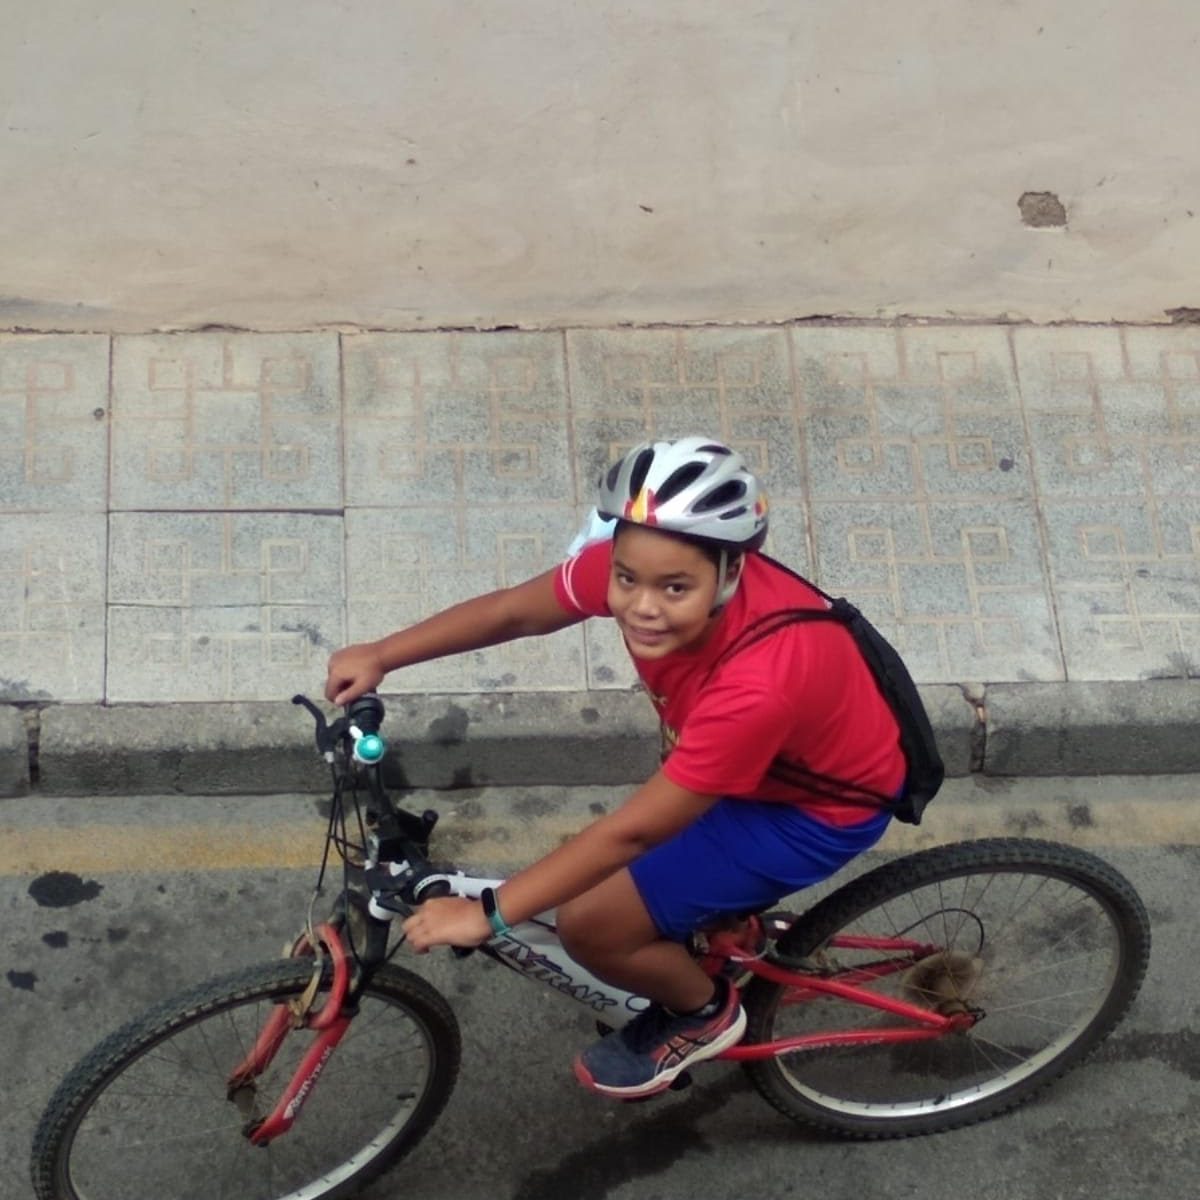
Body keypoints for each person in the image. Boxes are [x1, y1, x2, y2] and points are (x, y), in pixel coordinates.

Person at [324, 436, 905, 1100]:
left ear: (730, 575)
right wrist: (383, 654)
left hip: (810, 814)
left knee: (592, 925)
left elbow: (633, 832)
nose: (642, 606)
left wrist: (489, 914)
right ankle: (714, 924)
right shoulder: (649, 563)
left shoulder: (757, 686)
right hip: (756, 764)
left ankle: (702, 1011)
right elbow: (515, 610)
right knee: (630, 878)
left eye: (675, 588)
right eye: (627, 579)